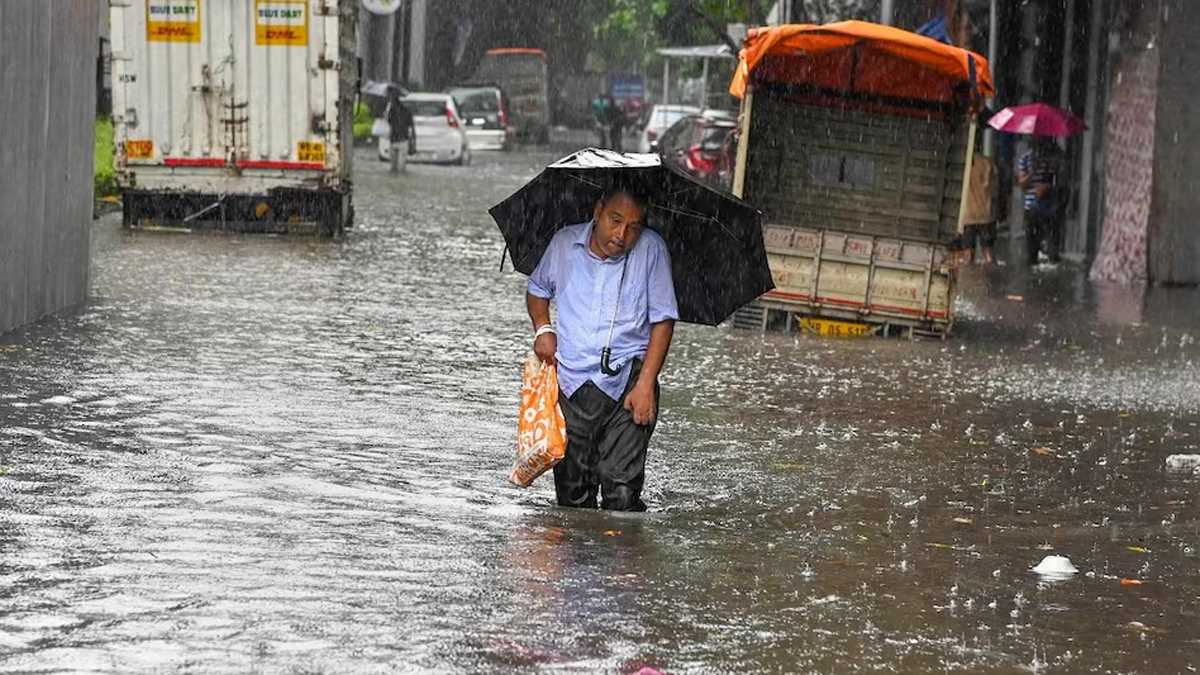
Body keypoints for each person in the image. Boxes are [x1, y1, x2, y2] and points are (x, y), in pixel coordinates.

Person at [525, 181, 678, 512]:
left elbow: (663, 321)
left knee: (620, 496)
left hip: (627, 384)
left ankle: (622, 562)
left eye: (633, 227)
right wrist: (543, 329)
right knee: (572, 501)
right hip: (570, 383)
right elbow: (537, 289)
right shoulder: (564, 243)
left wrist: (646, 384)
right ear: (598, 212)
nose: (622, 236)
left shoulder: (651, 250)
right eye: (615, 220)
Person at [1017, 137, 1064, 264]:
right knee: (1031, 251)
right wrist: (1033, 171)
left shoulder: (1056, 157)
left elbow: (1063, 183)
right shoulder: (1025, 158)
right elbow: (1021, 184)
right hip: (1031, 208)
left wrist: (1047, 187)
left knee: (1053, 251)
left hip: (1051, 208)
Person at [960, 152, 998, 265]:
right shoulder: (989, 163)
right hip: (986, 216)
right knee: (988, 251)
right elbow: (995, 191)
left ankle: (969, 279)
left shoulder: (965, 163)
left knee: (968, 254)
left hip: (968, 215)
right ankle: (992, 276)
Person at [386, 89, 415, 174]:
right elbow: (388, 122)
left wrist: (412, 140)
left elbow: (411, 126)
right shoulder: (393, 112)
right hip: (398, 140)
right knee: (396, 168)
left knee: (397, 168)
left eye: (391, 100)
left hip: (399, 140)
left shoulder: (403, 111)